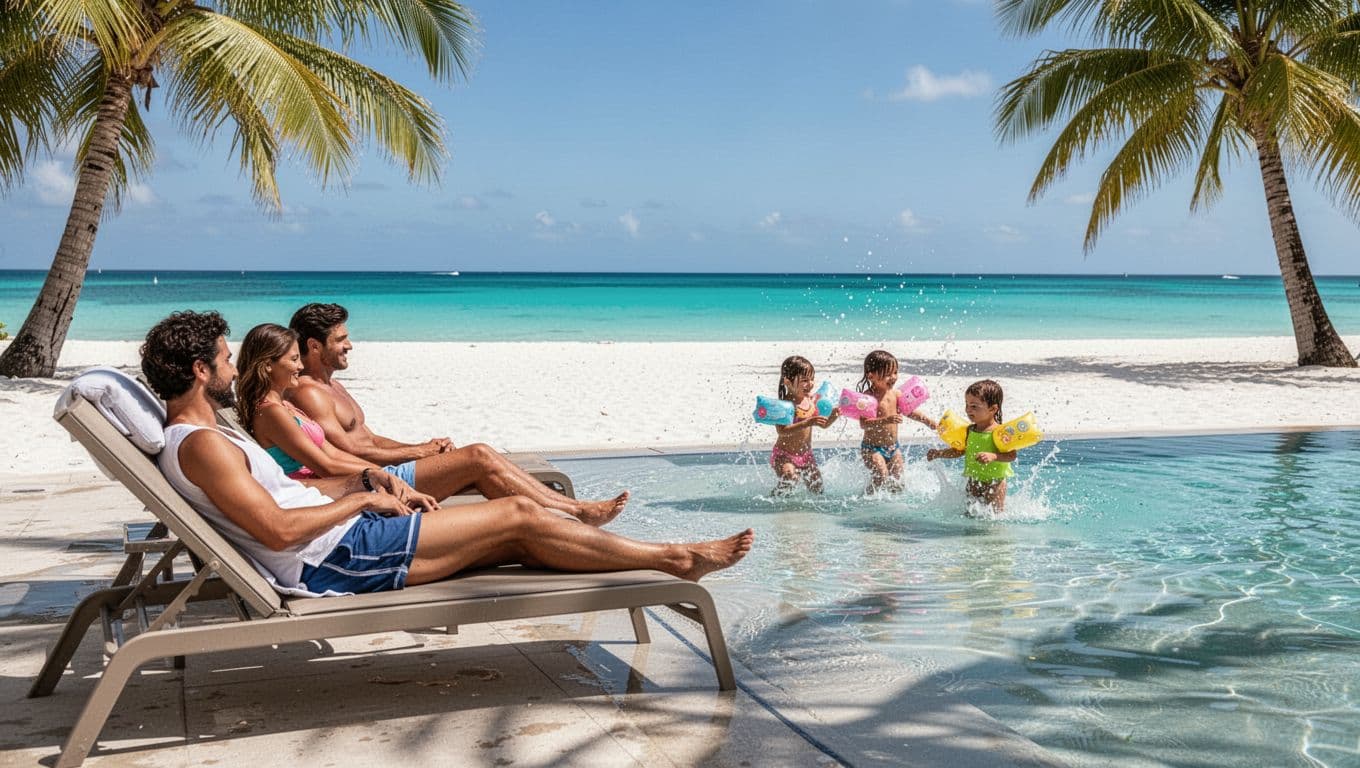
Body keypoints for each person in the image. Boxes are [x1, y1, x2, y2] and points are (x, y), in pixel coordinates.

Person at [142, 310, 754, 593]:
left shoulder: (204, 437)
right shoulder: (200, 445)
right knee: (518, 517)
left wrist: (374, 487)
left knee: (522, 529)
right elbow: (276, 530)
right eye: (224, 359)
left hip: (342, 538)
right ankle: (675, 559)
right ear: (200, 370)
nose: (232, 366)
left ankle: (659, 556)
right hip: (333, 559)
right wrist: (360, 498)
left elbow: (294, 495)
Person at [276, 307, 630, 524]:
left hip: (383, 469)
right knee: (478, 456)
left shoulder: (331, 385)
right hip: (375, 479)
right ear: (314, 345)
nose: (350, 345)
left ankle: (569, 519)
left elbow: (370, 438)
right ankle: (577, 514)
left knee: (485, 467)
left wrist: (421, 446)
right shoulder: (309, 391)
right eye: (341, 339)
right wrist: (417, 453)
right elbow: (350, 451)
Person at [926, 379, 1016, 512]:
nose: (968, 410)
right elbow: (959, 451)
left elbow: (1011, 455)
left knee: (994, 518)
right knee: (969, 513)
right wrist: (939, 453)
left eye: (974, 406)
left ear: (993, 408)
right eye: (967, 405)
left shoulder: (1000, 432)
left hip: (996, 483)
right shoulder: (970, 430)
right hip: (973, 480)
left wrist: (993, 456)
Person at [855, 350, 937, 492]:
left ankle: (894, 507)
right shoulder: (867, 397)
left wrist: (926, 420)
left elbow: (908, 411)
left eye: (895, 372)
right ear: (871, 375)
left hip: (893, 447)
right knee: (881, 475)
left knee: (898, 480)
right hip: (871, 448)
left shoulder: (896, 394)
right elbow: (864, 424)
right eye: (888, 374)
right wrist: (886, 420)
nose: (893, 377)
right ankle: (867, 500)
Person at [768, 355, 838, 495]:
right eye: (804, 380)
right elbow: (782, 431)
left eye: (812, 379)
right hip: (784, 455)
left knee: (817, 486)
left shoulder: (812, 401)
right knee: (789, 478)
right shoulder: (784, 405)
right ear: (788, 382)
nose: (810, 383)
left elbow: (823, 425)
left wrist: (833, 416)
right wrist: (807, 422)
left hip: (806, 455)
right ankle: (774, 500)